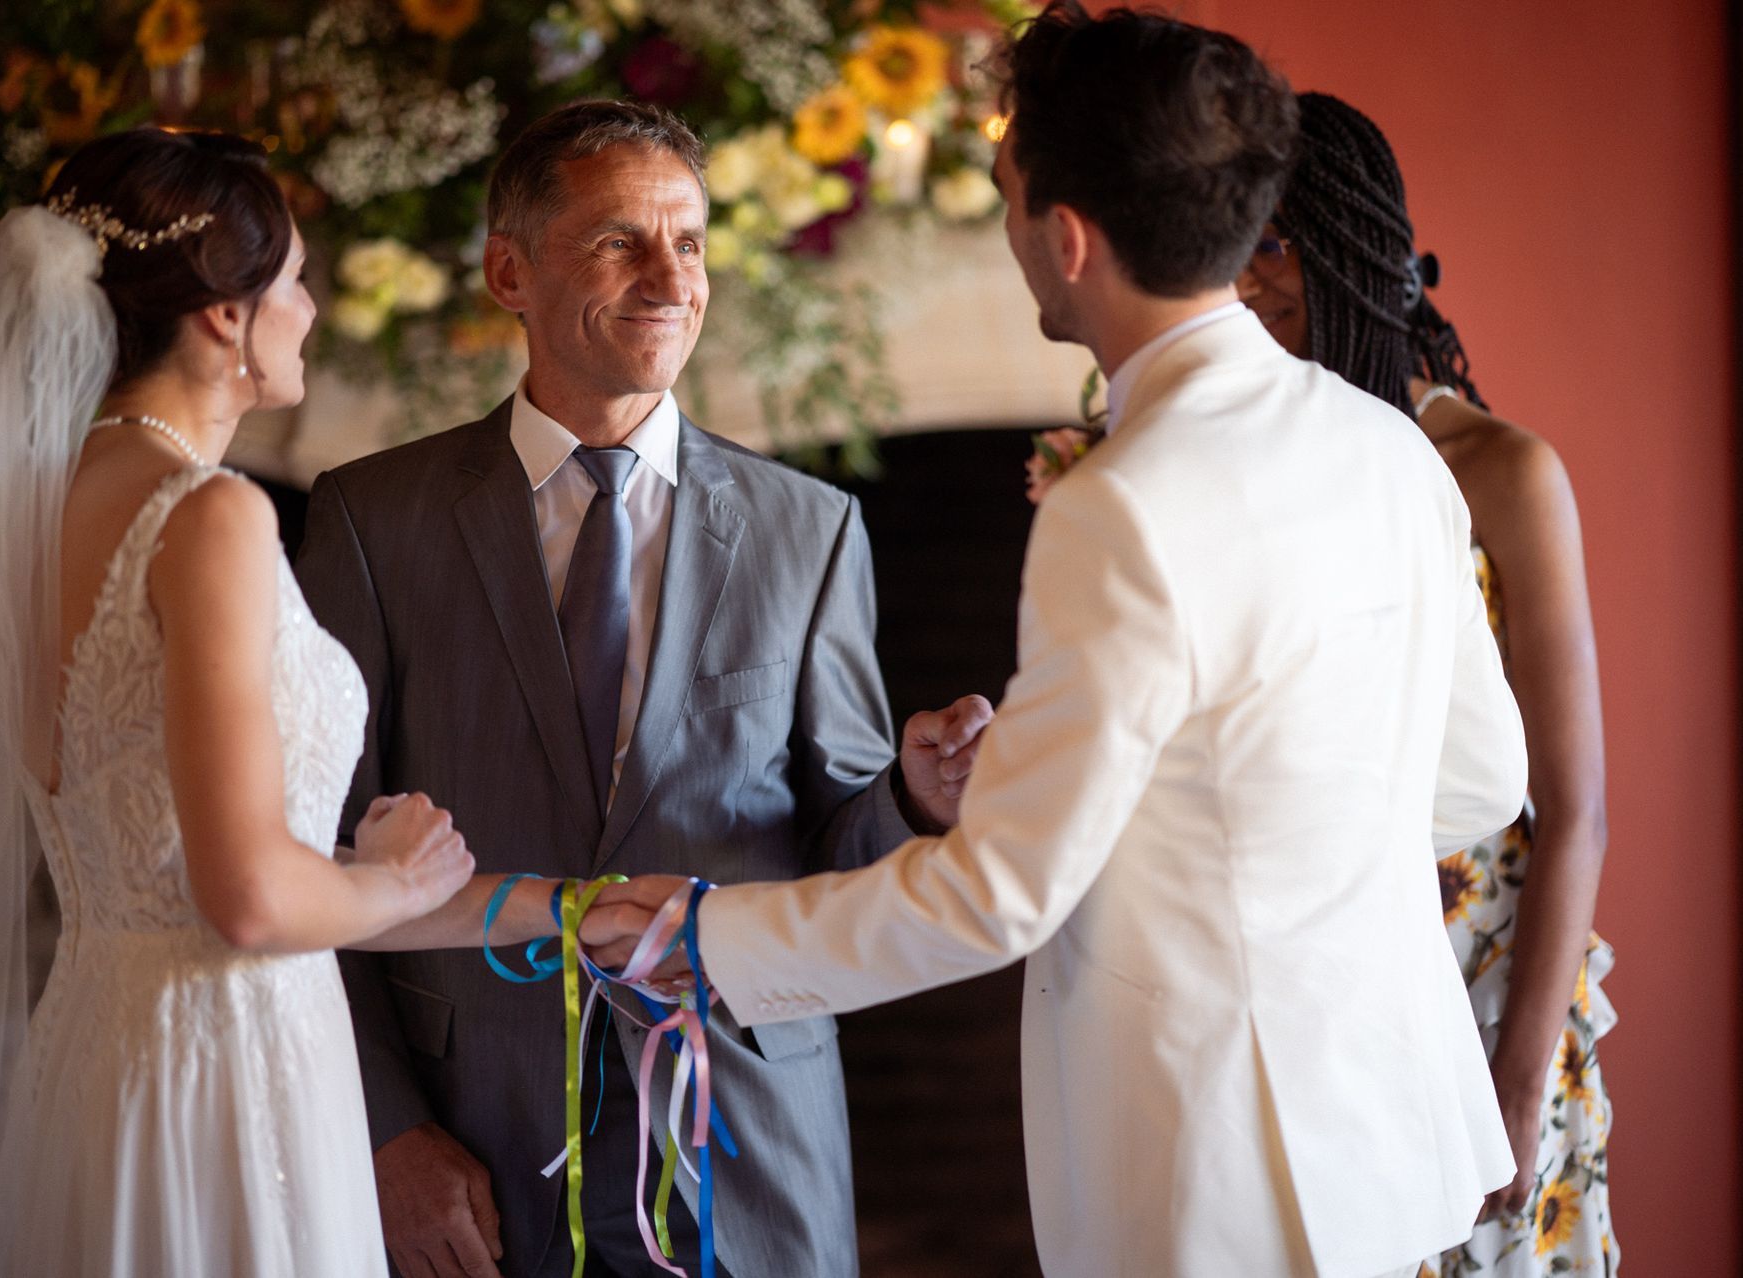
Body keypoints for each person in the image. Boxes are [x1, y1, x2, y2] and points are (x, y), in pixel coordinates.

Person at [591, 9, 1529, 1277]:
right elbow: (1477, 780)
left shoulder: (1124, 503)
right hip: (1383, 1133)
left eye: (1009, 194)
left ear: (1071, 240)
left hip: (1217, 1166)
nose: (1008, 225)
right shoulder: (1387, 444)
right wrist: (1153, 806)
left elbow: (997, 899)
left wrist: (712, 941)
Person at [0, 128, 570, 1277]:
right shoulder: (207, 515)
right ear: (227, 312)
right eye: (299, 279)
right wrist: (392, 874)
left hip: (94, 1054)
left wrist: (555, 911)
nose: (312, 310)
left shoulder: (36, 514)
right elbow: (251, 903)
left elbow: (183, 874)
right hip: (228, 1076)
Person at [294, 99, 988, 1278]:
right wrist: (385, 1129)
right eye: (621, 240)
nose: (671, 279)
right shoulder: (372, 521)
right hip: (473, 1145)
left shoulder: (811, 531)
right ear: (509, 271)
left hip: (748, 1142)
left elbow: (840, 846)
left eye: (693, 241)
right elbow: (306, 857)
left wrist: (914, 803)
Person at [1235, 91, 1617, 1276]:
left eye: (1275, 244)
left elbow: (1574, 811)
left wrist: (1510, 1080)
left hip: (1481, 986)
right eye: (1230, 245)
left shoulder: (1500, 470)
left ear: (1357, 252)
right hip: (1311, 992)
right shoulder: (1246, 461)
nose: (1246, 282)